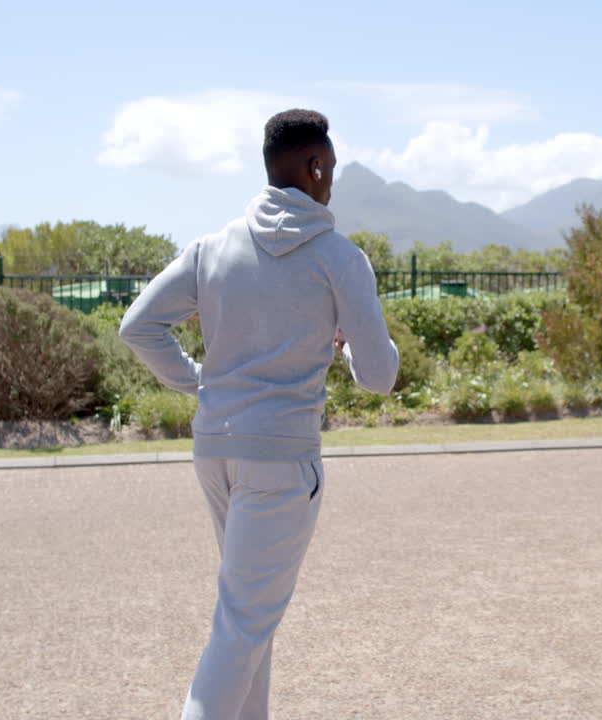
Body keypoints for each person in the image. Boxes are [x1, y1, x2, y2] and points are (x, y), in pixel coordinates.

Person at [119, 108, 399, 720]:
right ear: (315, 165)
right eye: (331, 170)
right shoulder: (340, 258)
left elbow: (138, 327)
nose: (333, 183)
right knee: (243, 624)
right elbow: (380, 376)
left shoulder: (213, 248)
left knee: (249, 618)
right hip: (281, 461)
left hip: (214, 451)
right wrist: (348, 348)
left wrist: (200, 383)